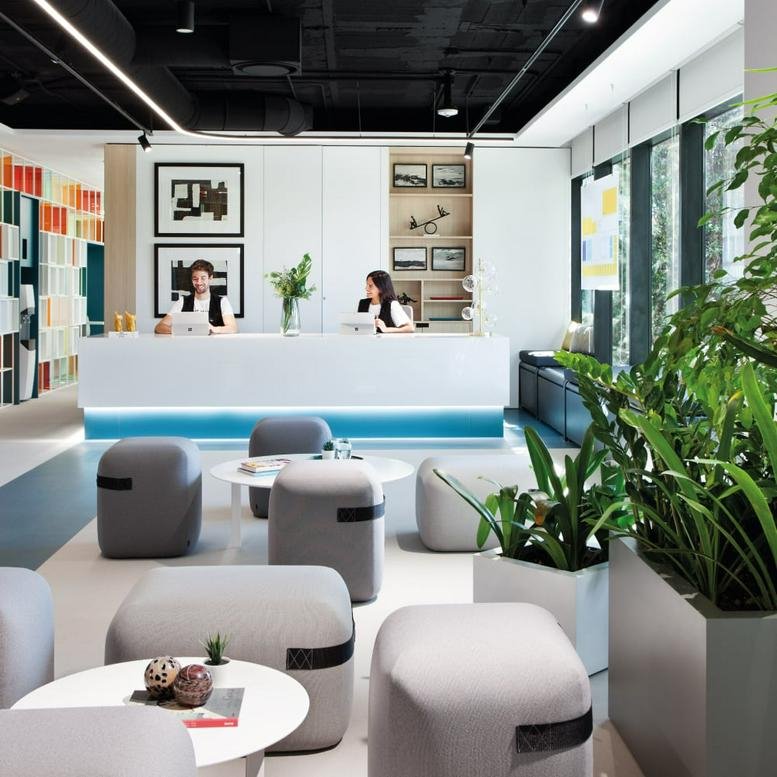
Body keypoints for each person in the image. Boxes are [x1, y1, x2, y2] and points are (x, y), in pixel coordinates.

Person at [155, 259, 238, 335]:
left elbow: (233, 328)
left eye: (203, 278)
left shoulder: (222, 301)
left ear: (210, 278)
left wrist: (214, 329)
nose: (199, 282)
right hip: (188, 348)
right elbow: (159, 327)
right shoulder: (182, 301)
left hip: (214, 348)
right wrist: (179, 330)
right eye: (195, 279)